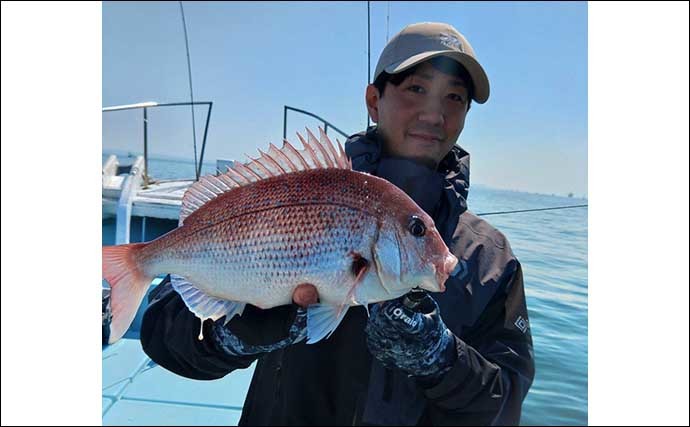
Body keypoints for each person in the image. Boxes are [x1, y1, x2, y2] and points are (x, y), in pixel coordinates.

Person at [141, 22, 535, 426]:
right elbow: (163, 335)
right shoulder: (299, 189)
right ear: (373, 99)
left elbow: (505, 403)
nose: (435, 113)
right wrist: (235, 335)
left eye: (455, 97)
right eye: (417, 88)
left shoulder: (492, 260)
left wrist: (441, 360)